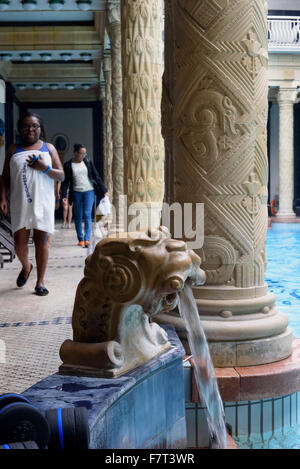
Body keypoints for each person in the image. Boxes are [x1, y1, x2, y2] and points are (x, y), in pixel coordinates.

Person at [0, 112, 64, 296]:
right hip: (19, 203)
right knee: (19, 246)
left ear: (40, 129)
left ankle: (40, 282)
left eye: (35, 126)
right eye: (26, 126)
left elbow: (61, 175)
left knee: (41, 240)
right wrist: (3, 198)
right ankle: (27, 266)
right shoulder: (13, 149)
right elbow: (5, 177)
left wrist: (44, 168)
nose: (31, 129)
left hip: (42, 202)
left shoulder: (48, 148)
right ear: (20, 129)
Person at [62, 144, 108, 247]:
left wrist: (104, 190)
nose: (83, 155)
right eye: (81, 153)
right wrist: (64, 195)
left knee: (87, 214)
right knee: (78, 215)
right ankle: (80, 239)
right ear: (76, 153)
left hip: (89, 191)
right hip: (76, 192)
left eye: (85, 153)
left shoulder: (87, 162)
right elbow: (65, 182)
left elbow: (96, 176)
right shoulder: (68, 165)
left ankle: (87, 239)